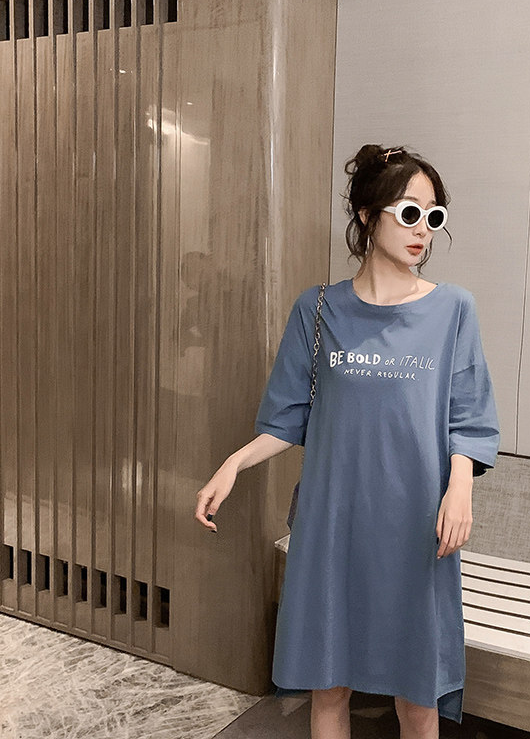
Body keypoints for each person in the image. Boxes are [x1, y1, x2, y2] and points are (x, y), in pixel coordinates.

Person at [195, 144, 501, 739]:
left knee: (417, 693)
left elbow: (469, 417)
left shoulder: (453, 310)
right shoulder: (318, 310)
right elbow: (288, 418)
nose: (423, 230)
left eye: (433, 216)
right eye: (409, 213)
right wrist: (234, 463)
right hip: (332, 522)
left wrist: (460, 488)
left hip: (417, 524)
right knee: (328, 683)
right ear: (366, 215)